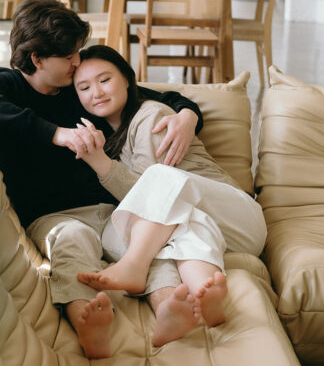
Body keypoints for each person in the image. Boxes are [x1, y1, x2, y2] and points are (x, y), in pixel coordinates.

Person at [0, 0, 204, 358]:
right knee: (71, 245)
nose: (77, 61)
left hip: (109, 205)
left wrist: (188, 117)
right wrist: (57, 133)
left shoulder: (80, 89)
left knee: (150, 245)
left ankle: (167, 308)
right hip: (53, 216)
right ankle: (87, 320)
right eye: (68, 55)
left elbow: (158, 96)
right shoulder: (6, 86)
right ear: (37, 58)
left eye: (78, 51)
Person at [68, 44, 267, 344]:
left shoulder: (152, 115)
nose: (96, 92)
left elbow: (149, 195)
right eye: (84, 87)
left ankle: (134, 265)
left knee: (159, 182)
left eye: (104, 80)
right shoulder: (111, 135)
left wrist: (101, 164)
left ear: (127, 79)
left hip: (237, 214)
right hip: (213, 227)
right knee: (181, 226)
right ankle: (206, 295)